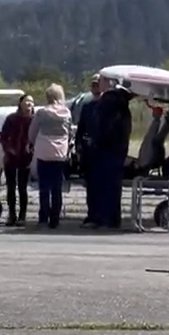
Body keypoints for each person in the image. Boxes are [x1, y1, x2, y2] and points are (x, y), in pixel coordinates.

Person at [29, 84, 72, 229]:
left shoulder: (41, 113)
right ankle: (55, 219)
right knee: (57, 188)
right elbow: (70, 133)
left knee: (44, 187)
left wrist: (32, 144)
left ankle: (43, 218)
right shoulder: (66, 113)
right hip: (60, 153)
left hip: (43, 152)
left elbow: (32, 132)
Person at [90, 82, 133, 229]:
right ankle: (112, 219)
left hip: (106, 152)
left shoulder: (108, 109)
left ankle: (104, 218)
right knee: (113, 188)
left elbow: (103, 132)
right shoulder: (123, 111)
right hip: (118, 153)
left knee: (104, 187)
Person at [0, 94, 35, 226]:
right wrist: (9, 149)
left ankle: (22, 216)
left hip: (25, 159)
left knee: (22, 188)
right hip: (11, 157)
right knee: (10, 188)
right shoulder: (11, 119)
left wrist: (31, 149)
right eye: (26, 102)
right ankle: (11, 214)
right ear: (20, 104)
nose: (29, 104)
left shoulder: (34, 120)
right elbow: (3, 137)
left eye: (31, 102)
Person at [74, 75, 103, 228]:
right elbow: (81, 129)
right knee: (90, 186)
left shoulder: (108, 107)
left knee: (102, 186)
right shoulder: (87, 107)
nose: (95, 87)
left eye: (97, 84)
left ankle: (101, 216)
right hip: (88, 153)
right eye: (93, 84)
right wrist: (79, 146)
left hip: (103, 153)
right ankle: (91, 214)